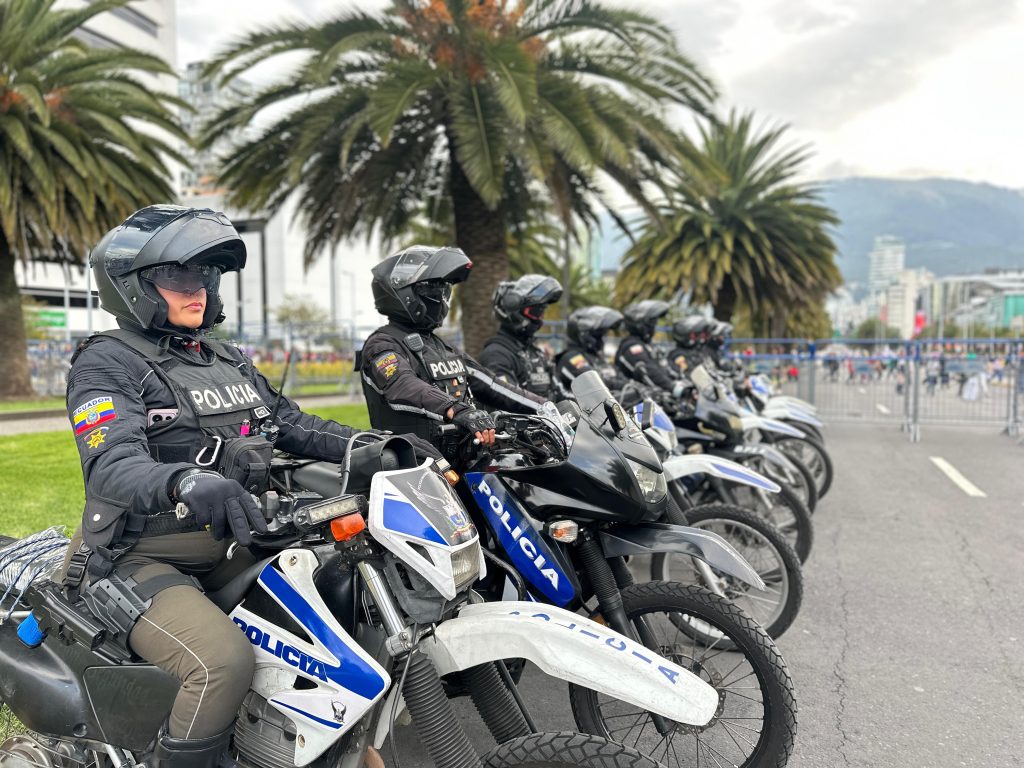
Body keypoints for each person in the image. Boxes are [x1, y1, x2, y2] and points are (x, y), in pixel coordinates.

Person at [61, 206, 439, 768]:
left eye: (207, 277)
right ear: (133, 287)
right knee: (221, 663)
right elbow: (112, 464)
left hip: (237, 540)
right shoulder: (106, 363)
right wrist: (184, 480)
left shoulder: (224, 358)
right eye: (179, 277)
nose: (199, 290)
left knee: (344, 608)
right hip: (137, 555)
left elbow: (293, 425)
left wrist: (376, 444)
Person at [359, 246, 544, 462]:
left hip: (460, 463)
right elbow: (403, 385)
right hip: (413, 469)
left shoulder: (441, 347)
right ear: (406, 294)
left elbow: (493, 386)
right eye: (434, 289)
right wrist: (456, 409)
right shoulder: (382, 344)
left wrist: (548, 407)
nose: (442, 297)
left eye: (445, 289)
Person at [479, 274, 563, 400]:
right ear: (514, 311)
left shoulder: (536, 353)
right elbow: (510, 400)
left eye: (542, 312)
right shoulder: (496, 354)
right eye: (536, 312)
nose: (540, 319)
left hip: (553, 419)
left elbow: (559, 393)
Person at [553, 306, 630, 393]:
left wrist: (633, 385)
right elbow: (597, 383)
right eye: (598, 335)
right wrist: (628, 387)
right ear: (584, 334)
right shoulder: (572, 357)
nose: (601, 339)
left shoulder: (596, 357)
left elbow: (619, 377)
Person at [614, 300, 678, 391]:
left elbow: (662, 367)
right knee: (649, 406)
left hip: (653, 398)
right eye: (652, 322)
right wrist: (673, 387)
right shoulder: (632, 346)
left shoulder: (646, 345)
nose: (654, 326)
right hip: (635, 403)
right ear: (641, 325)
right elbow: (650, 371)